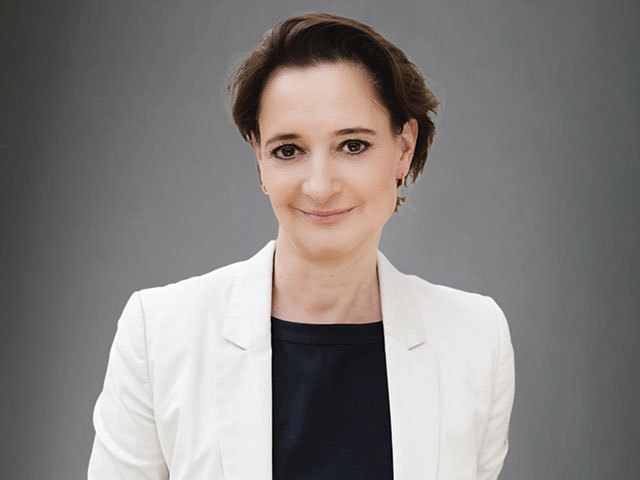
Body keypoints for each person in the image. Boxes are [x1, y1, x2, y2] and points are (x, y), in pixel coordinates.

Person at [87, 11, 515, 480]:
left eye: (353, 145)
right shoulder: (158, 335)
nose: (320, 186)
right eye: (288, 150)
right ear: (259, 158)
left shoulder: (476, 340)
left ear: (403, 148)